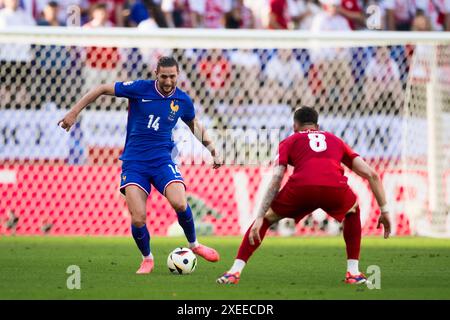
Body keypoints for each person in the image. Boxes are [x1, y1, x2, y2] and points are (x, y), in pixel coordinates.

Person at [58, 56, 222, 274]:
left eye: (172, 76)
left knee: (180, 203)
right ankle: (147, 258)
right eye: (164, 76)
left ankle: (194, 245)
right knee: (138, 217)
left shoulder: (183, 100)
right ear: (156, 74)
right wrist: (73, 112)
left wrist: (213, 150)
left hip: (163, 160)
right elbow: (101, 89)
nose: (168, 81)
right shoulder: (139, 89)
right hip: (134, 162)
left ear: (178, 75)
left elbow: (194, 125)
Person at [217, 106, 391, 285]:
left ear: (295, 125)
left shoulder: (289, 141)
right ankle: (353, 273)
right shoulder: (335, 140)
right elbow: (372, 175)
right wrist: (385, 211)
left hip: (302, 187)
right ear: (317, 125)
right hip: (334, 188)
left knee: (268, 219)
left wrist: (261, 216)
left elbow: (277, 177)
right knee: (352, 211)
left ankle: (234, 271)